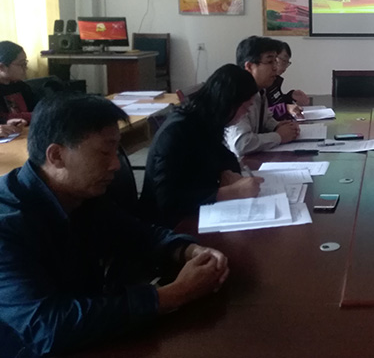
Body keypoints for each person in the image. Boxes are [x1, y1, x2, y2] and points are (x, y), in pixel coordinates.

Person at [0, 93, 229, 356]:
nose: (115, 165)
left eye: (116, 151)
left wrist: (188, 250)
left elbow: (138, 233)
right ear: (56, 156)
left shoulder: (80, 194)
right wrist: (174, 294)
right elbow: (46, 327)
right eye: (104, 152)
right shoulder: (7, 225)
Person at [139, 64, 264, 228]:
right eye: (245, 107)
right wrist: (232, 192)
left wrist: (226, 172)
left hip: (197, 213)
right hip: (166, 227)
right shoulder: (177, 132)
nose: (246, 113)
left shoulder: (208, 120)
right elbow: (168, 201)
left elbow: (226, 157)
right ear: (228, 102)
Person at [225, 37, 300, 156]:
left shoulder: (260, 90)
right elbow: (241, 144)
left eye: (275, 61)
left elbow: (266, 119)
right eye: (270, 62)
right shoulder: (236, 94)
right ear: (249, 66)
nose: (275, 67)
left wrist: (278, 126)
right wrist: (279, 136)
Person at [265, 40, 310, 121]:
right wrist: (285, 108)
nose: (285, 66)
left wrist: (290, 96)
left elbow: (277, 102)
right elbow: (262, 114)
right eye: (283, 61)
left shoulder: (275, 80)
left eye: (287, 62)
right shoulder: (261, 83)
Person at [0, 41, 36, 135]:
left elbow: (37, 110)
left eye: (25, 63)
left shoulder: (22, 87)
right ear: (2, 67)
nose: (26, 68)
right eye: (21, 64)